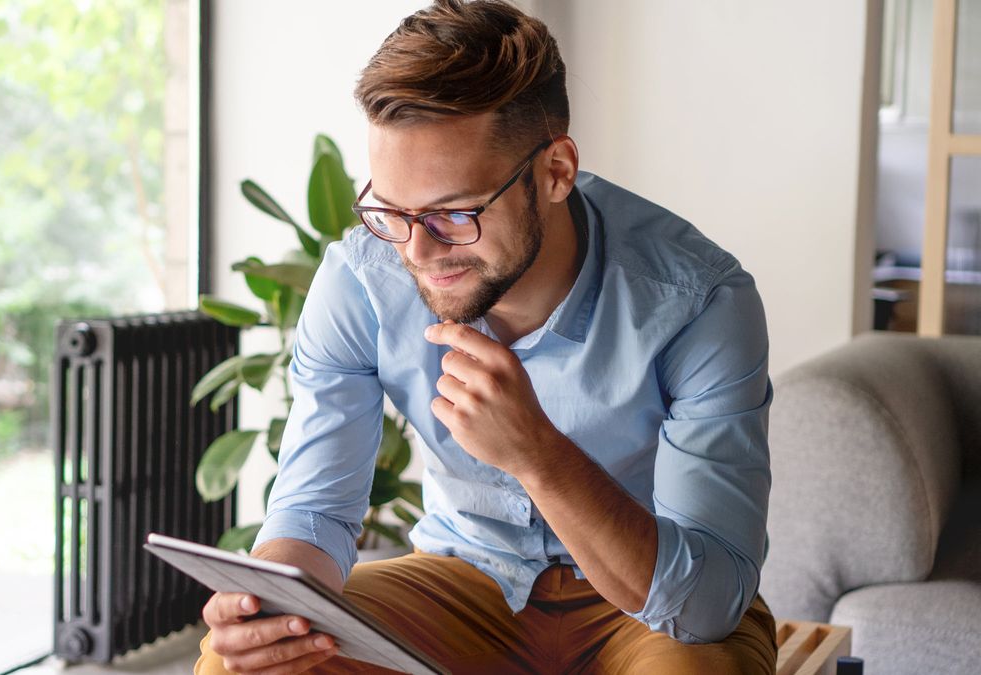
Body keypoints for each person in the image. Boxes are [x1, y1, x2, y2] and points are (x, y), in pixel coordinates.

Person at [195, 1, 775, 672]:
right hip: (462, 580)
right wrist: (267, 607)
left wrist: (538, 454)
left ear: (555, 171)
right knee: (241, 665)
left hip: (650, 604)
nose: (416, 248)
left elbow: (707, 605)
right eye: (389, 209)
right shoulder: (362, 280)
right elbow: (314, 511)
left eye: (454, 213)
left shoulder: (699, 300)